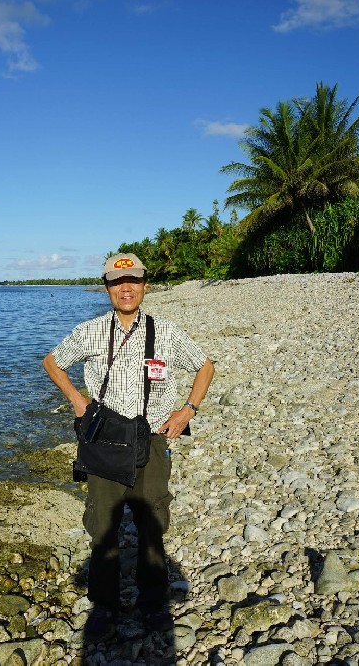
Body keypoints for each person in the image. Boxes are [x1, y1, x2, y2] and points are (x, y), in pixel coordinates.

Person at [42, 253, 214, 640]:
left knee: (152, 521)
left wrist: (187, 410)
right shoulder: (90, 331)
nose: (126, 288)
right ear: (106, 287)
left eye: (133, 280)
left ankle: (153, 603)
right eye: (117, 282)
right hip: (103, 441)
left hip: (152, 438)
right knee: (103, 524)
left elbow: (205, 366)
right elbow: (52, 362)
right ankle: (104, 605)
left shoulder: (166, 331)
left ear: (144, 285)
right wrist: (76, 399)